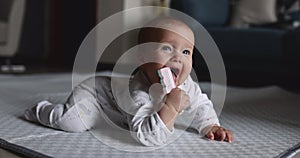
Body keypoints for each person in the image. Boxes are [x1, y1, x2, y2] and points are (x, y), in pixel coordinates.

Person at [24, 17, 233, 146]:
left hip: (117, 110)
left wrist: (210, 126)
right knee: (73, 123)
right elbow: (146, 137)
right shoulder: (138, 92)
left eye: (186, 51)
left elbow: (201, 105)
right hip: (97, 96)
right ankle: (39, 110)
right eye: (167, 48)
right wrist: (170, 106)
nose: (178, 57)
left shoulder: (187, 86)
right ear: (142, 59)